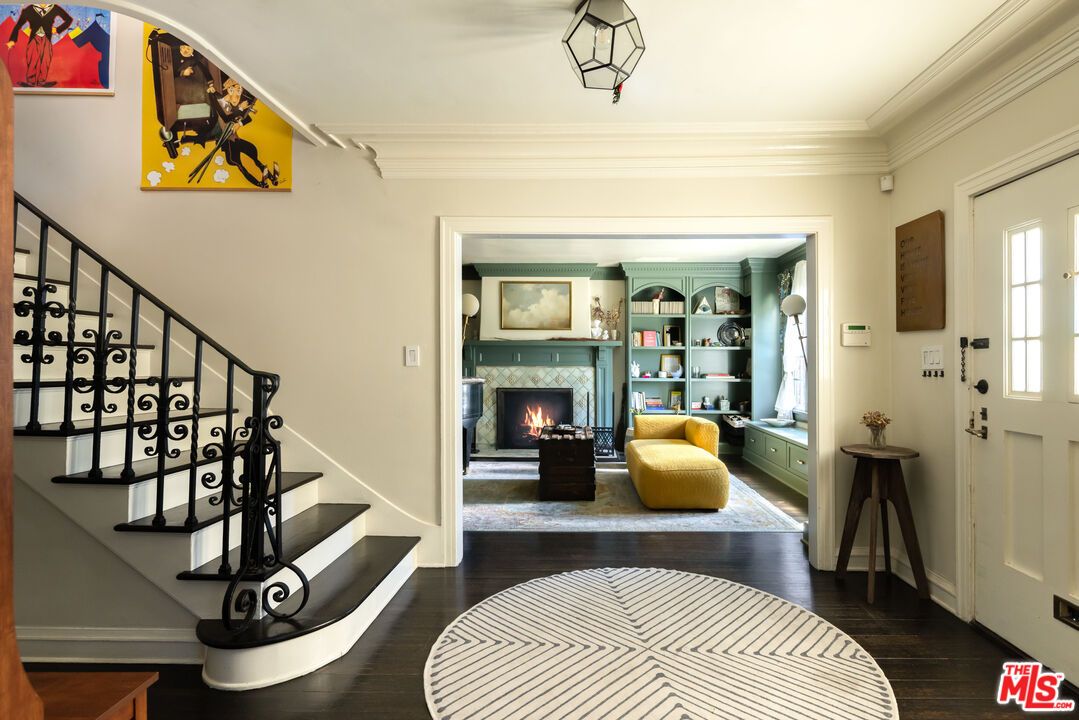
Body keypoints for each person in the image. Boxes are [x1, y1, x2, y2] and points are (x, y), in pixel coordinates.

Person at [6, 4, 73, 88]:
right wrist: (12, 40)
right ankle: (31, 81)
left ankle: (41, 81)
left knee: (46, 59)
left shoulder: (54, 8)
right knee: (32, 57)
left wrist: (58, 29)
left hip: (47, 38)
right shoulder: (30, 9)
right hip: (34, 37)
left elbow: (69, 19)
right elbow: (18, 25)